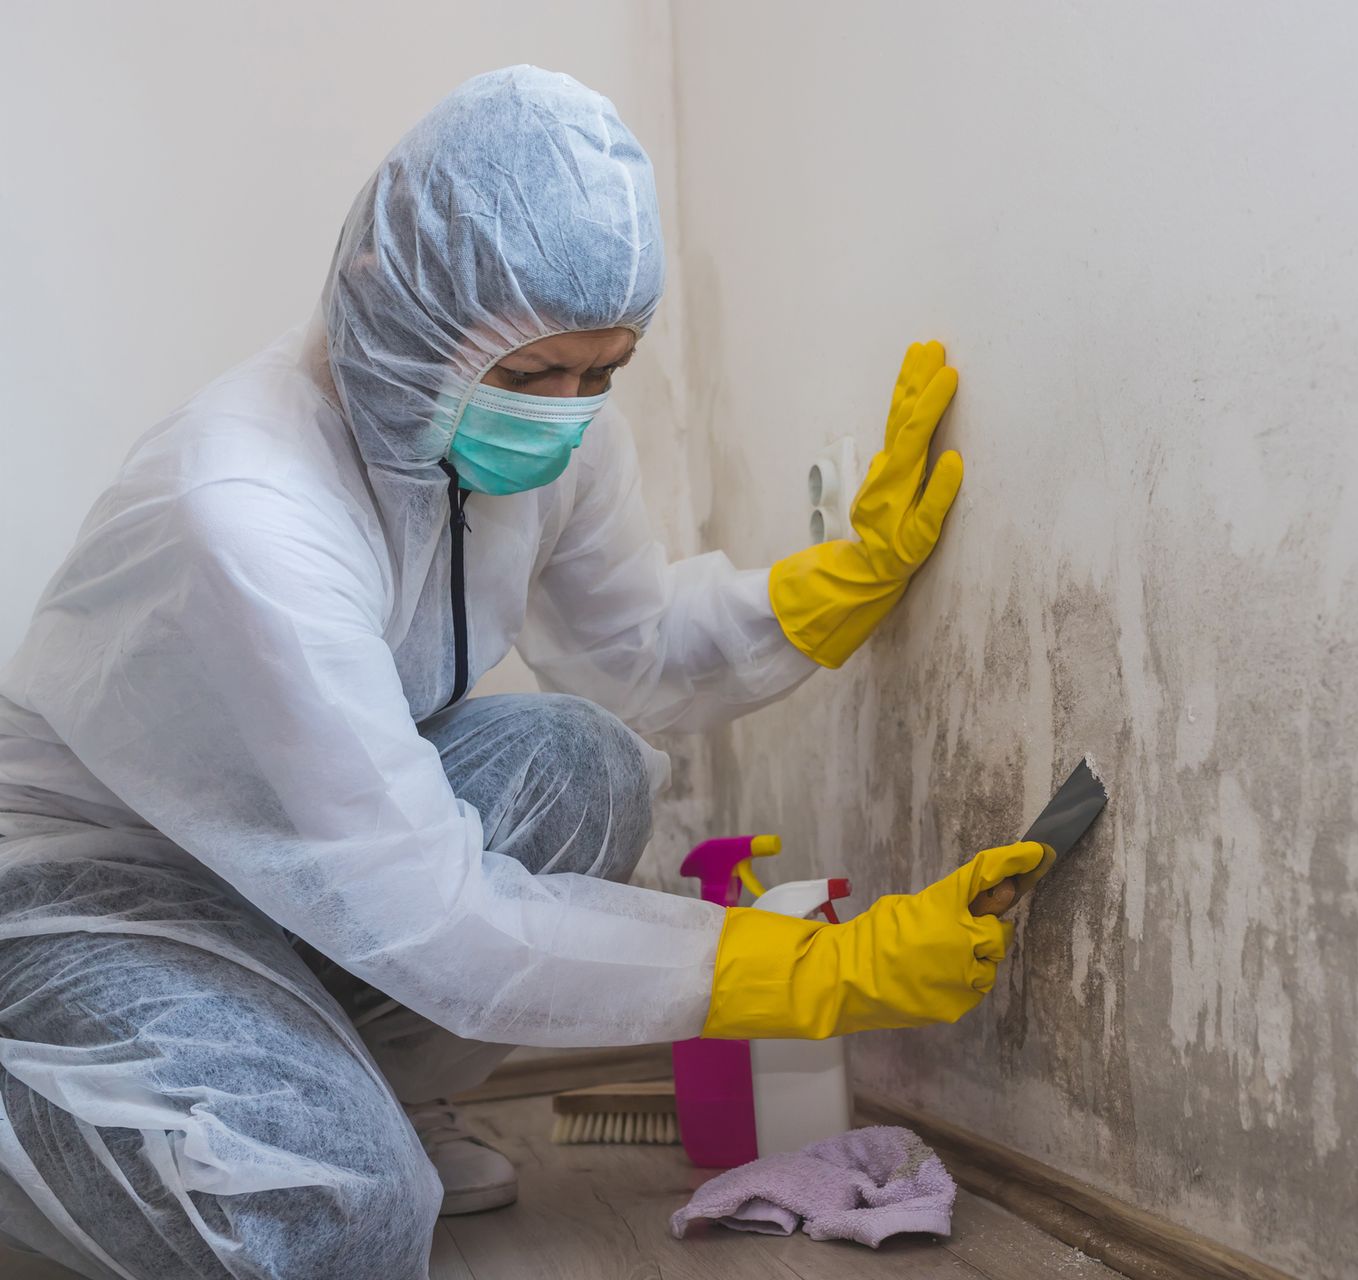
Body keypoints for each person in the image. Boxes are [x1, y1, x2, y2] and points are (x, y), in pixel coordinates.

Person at [0, 66, 1043, 1279]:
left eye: (604, 370)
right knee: (342, 1213)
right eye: (536, 375)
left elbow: (633, 647)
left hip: (302, 871)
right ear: (400, 310)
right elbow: (432, 917)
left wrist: (837, 584)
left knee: (581, 762)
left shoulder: (545, 425)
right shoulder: (247, 508)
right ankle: (79, 1098)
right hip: (103, 884)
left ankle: (355, 1088)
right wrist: (816, 966)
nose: (569, 411)